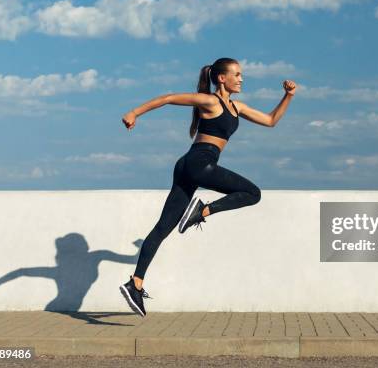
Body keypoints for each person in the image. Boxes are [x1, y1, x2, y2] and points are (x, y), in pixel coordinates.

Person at [119, 57, 297, 316]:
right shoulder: (210, 101)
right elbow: (169, 98)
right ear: (222, 78)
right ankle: (201, 212)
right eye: (236, 74)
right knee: (252, 193)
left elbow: (271, 121)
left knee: (162, 228)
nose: (241, 78)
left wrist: (288, 95)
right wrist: (134, 112)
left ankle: (135, 283)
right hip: (199, 164)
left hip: (189, 166)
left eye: (241, 74)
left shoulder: (237, 107)